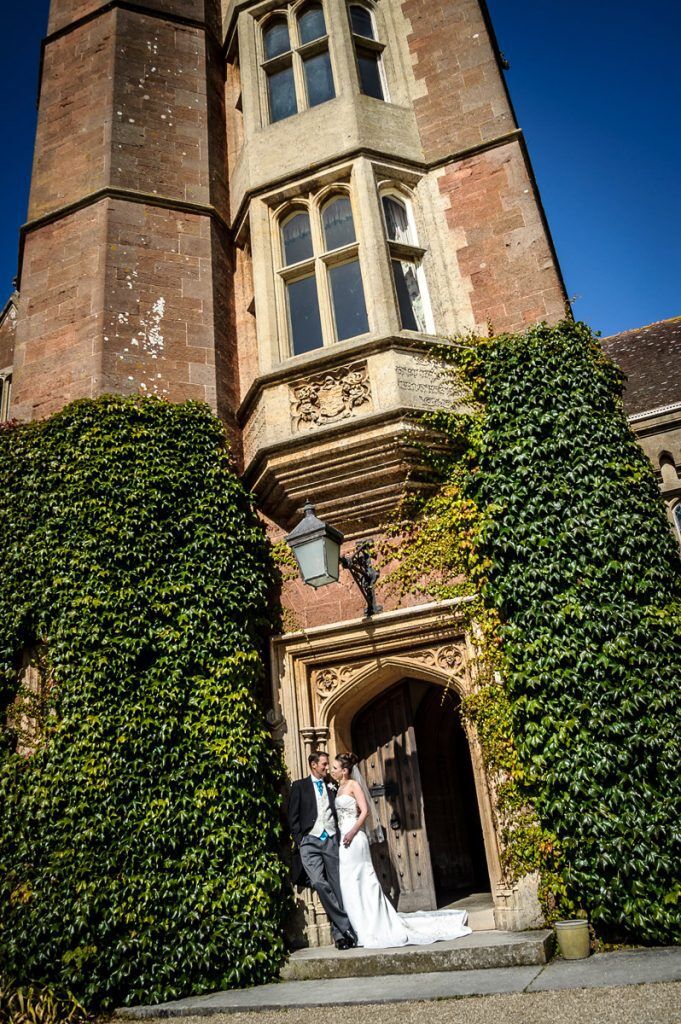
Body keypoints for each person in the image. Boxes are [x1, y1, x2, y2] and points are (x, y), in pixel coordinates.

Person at [330, 752, 472, 949]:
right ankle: (359, 927)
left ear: (345, 771)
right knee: (348, 882)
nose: (332, 770)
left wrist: (353, 831)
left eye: (335, 768)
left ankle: (374, 926)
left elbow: (365, 811)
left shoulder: (353, 785)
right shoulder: (339, 788)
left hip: (354, 837)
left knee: (362, 879)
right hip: (344, 837)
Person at [288, 750, 358, 950]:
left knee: (336, 887)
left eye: (328, 765)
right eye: (324, 764)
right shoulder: (299, 786)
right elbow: (292, 817)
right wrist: (300, 841)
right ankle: (346, 925)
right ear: (313, 765)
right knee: (319, 883)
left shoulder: (332, 787)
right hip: (309, 842)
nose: (327, 768)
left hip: (331, 841)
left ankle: (341, 936)